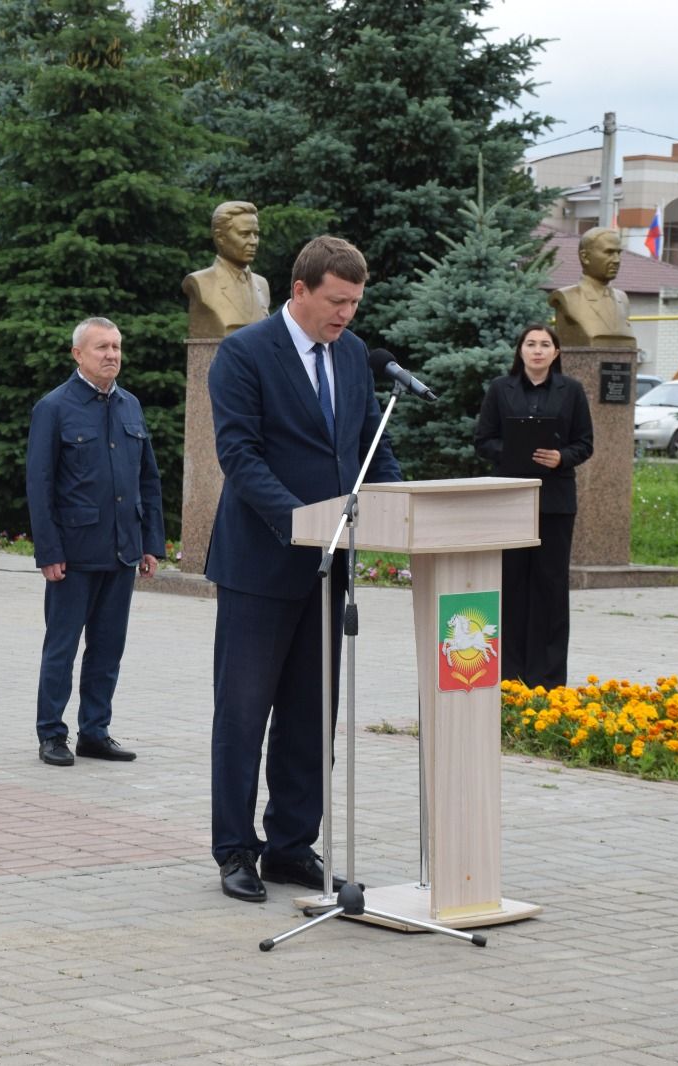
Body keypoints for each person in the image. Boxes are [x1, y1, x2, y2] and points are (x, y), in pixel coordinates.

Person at [206, 235, 403, 903]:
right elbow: (239, 454)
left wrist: (399, 509)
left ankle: (291, 845)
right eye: (336, 301)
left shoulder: (352, 356)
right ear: (300, 291)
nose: (346, 314)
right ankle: (236, 850)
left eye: (355, 303)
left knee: (311, 718)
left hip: (329, 570)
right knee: (243, 716)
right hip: (260, 566)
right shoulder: (243, 353)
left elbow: (372, 446)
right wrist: (299, 523)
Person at [25, 317, 165, 767]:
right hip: (74, 553)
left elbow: (148, 480)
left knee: (108, 648)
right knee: (62, 647)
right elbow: (40, 485)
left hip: (122, 550)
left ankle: (95, 732)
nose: (112, 355)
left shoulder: (130, 405)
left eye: (116, 347)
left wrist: (150, 543)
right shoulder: (54, 407)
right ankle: (52, 734)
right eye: (102, 347)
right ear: (78, 354)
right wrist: (48, 551)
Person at [473, 324, 594, 690]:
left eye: (545, 344)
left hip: (555, 501)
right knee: (510, 585)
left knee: (551, 589)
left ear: (556, 353)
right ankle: (509, 677)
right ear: (520, 350)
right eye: (531, 344)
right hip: (510, 499)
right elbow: (483, 440)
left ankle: (549, 680)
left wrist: (561, 457)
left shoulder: (572, 390)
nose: (537, 350)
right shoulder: (501, 389)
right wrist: (512, 451)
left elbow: (585, 443)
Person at [181, 201, 274, 339]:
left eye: (256, 234)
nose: (253, 241)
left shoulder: (262, 284)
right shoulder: (199, 282)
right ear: (220, 237)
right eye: (244, 234)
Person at [548, 228, 635, 348]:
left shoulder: (622, 298)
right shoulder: (567, 297)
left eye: (618, 253)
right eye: (609, 252)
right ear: (585, 257)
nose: (617, 260)